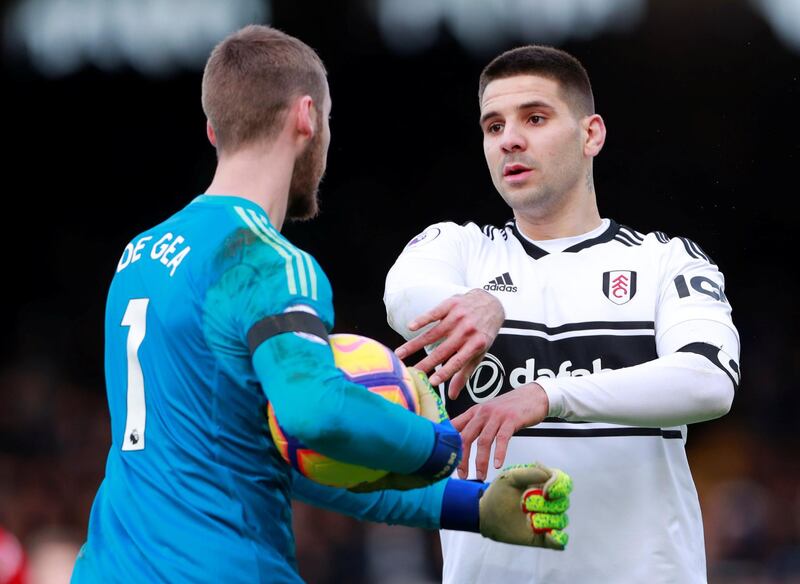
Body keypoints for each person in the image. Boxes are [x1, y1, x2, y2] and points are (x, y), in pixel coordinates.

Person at [71, 26, 573, 584]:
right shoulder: (263, 261)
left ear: (215, 129)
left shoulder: (138, 255)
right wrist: (441, 444)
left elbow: (274, 451)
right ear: (307, 116)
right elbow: (318, 413)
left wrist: (469, 507)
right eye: (329, 121)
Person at [385, 45, 740, 583]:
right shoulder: (457, 250)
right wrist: (476, 304)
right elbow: (404, 296)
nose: (510, 139)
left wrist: (549, 396)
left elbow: (709, 382)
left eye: (535, 117)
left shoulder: (666, 260)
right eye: (493, 125)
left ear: (590, 134)